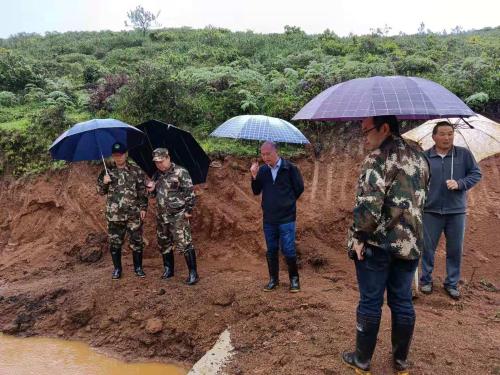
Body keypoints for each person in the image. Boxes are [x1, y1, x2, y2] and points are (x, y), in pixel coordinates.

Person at [342, 116, 430, 374]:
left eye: (367, 130)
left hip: (377, 245)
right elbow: (424, 196)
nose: (365, 136)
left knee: (370, 301)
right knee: (402, 301)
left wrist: (358, 236)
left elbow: (369, 206)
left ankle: (361, 360)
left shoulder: (377, 158)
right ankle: (400, 362)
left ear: (385, 128)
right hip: (411, 244)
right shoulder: (420, 157)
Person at [419, 122, 481, 299]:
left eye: (450, 134)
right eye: (443, 134)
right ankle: (425, 281)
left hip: (456, 211)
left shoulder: (463, 154)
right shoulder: (424, 157)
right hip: (430, 210)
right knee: (428, 248)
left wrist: (460, 183)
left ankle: (451, 283)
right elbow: (417, 180)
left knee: (454, 250)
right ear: (434, 137)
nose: (447, 138)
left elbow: (476, 173)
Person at [250, 141, 304, 292]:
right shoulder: (262, 171)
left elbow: (299, 188)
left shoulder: (290, 168)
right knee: (271, 249)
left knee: (288, 249)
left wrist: (287, 202)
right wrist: (254, 176)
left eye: (268, 154)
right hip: (269, 219)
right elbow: (256, 191)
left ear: (276, 152)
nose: (265, 157)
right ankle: (274, 280)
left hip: (287, 217)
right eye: (263, 154)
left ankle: (294, 280)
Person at [146, 148, 199, 285]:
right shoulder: (156, 175)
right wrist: (151, 189)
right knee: (164, 243)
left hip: (178, 215)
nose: (159, 164)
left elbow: (190, 193)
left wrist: (188, 211)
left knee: (184, 243)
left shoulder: (180, 172)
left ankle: (193, 273)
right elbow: (153, 195)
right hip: (161, 216)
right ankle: (168, 269)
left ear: (168, 158)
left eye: (161, 161)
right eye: (156, 162)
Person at [97, 142, 148, 280]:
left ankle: (138, 268)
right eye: (115, 155)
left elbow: (142, 191)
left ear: (126, 154)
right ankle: (117, 269)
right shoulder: (107, 171)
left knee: (136, 241)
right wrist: (104, 182)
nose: (118, 158)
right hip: (114, 215)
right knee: (115, 243)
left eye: (120, 155)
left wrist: (143, 207)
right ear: (113, 156)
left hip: (133, 213)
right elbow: (100, 191)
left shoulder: (136, 170)